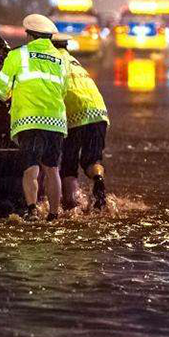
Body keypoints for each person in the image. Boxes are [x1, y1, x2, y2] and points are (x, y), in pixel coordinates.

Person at [0, 14, 68, 221]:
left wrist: (7, 95)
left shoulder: (19, 55)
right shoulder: (62, 59)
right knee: (53, 169)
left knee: (31, 167)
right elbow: (64, 89)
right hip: (56, 120)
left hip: (29, 119)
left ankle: (32, 210)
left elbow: (1, 87)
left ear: (29, 35)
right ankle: (54, 214)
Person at [52, 33, 110, 210]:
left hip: (76, 116)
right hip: (99, 112)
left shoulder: (51, 62)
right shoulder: (75, 62)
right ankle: (98, 180)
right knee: (92, 161)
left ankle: (71, 205)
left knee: (68, 165)